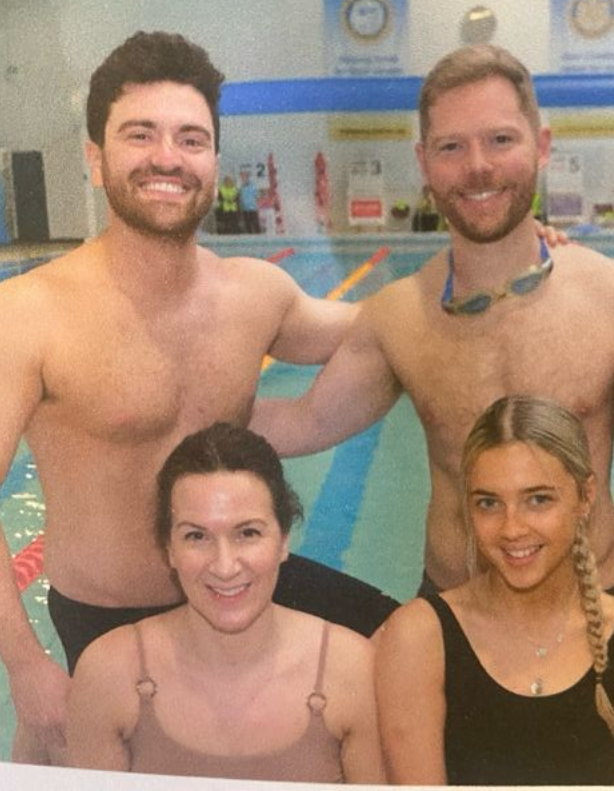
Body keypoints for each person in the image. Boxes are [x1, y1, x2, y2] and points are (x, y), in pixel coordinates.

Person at [0, 30, 397, 764]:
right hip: (112, 621)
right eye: (139, 134)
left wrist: (493, 270)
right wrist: (26, 668)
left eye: (191, 139)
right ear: (95, 159)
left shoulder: (255, 294)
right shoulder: (29, 315)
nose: (167, 158)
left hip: (239, 587)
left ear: (214, 161)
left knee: (409, 646)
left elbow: (388, 325)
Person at [251, 44, 614, 599]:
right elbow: (306, 421)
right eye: (452, 147)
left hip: (595, 608)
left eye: (500, 140)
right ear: (424, 163)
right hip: (453, 612)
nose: (478, 166)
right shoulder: (400, 314)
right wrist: (170, 410)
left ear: (542, 146)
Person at [375, 395, 614, 785]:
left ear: (586, 496)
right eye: (489, 503)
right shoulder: (419, 636)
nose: (512, 528)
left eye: (538, 500)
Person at [67, 423, 384, 782]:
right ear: (169, 549)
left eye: (247, 533)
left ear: (283, 540)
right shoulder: (109, 674)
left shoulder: (352, 670)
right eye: (196, 536)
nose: (225, 566)